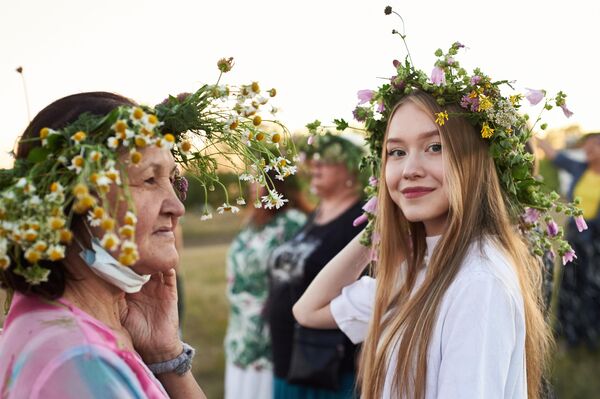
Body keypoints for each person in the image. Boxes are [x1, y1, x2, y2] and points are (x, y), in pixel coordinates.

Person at [293, 35, 581, 398]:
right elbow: (308, 310)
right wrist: (380, 220)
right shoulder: (414, 269)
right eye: (396, 152)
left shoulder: (478, 280)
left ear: (476, 163)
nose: (409, 169)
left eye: (435, 147)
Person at [0, 67, 294, 398]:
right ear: (72, 200)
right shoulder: (77, 364)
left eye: (172, 179)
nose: (176, 206)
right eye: (149, 179)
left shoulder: (91, 331)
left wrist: (165, 356)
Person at [265, 132, 366, 399]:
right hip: (286, 359)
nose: (315, 166)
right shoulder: (315, 215)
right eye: (314, 160)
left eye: (327, 160)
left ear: (352, 169)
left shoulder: (362, 221)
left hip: (328, 368)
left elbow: (375, 290)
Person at [224, 173, 311, 399]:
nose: (253, 185)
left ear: (277, 182)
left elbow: (295, 282)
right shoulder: (254, 222)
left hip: (268, 341)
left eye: (259, 179)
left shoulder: (292, 222)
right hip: (241, 335)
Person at [537, 133, 600, 347]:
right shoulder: (579, 169)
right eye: (586, 147)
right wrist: (535, 136)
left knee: (593, 287)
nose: (588, 151)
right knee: (570, 283)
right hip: (576, 235)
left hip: (597, 241)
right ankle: (568, 333)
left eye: (593, 147)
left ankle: (591, 336)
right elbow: (555, 156)